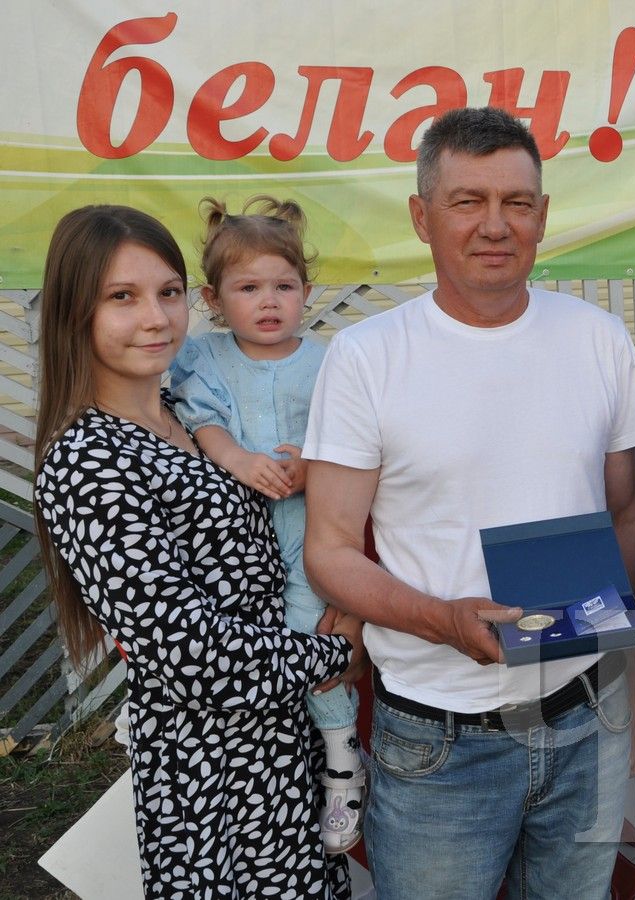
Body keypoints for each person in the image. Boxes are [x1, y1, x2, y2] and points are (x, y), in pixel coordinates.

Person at [301, 106, 635, 899]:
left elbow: (625, 518)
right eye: (468, 201)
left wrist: (630, 680)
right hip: (439, 737)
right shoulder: (368, 358)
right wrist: (442, 620)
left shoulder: (599, 339)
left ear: (541, 214)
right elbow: (328, 548)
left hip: (587, 719)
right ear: (422, 217)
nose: (495, 225)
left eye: (517, 202)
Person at [32, 204, 365, 898]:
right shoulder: (88, 458)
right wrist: (335, 652)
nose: (155, 318)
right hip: (214, 773)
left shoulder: (186, 417)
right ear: (74, 311)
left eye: (168, 292)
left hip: (286, 740)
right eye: (121, 297)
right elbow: (192, 656)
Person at [168, 196, 365, 854]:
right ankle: (285, 770)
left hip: (313, 529)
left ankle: (342, 761)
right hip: (240, 537)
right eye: (248, 288)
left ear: (306, 291)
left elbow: (357, 437)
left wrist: (314, 465)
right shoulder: (207, 357)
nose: (269, 301)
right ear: (214, 298)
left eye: (284, 285)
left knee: (310, 636)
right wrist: (238, 460)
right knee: (253, 648)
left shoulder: (331, 359)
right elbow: (204, 422)